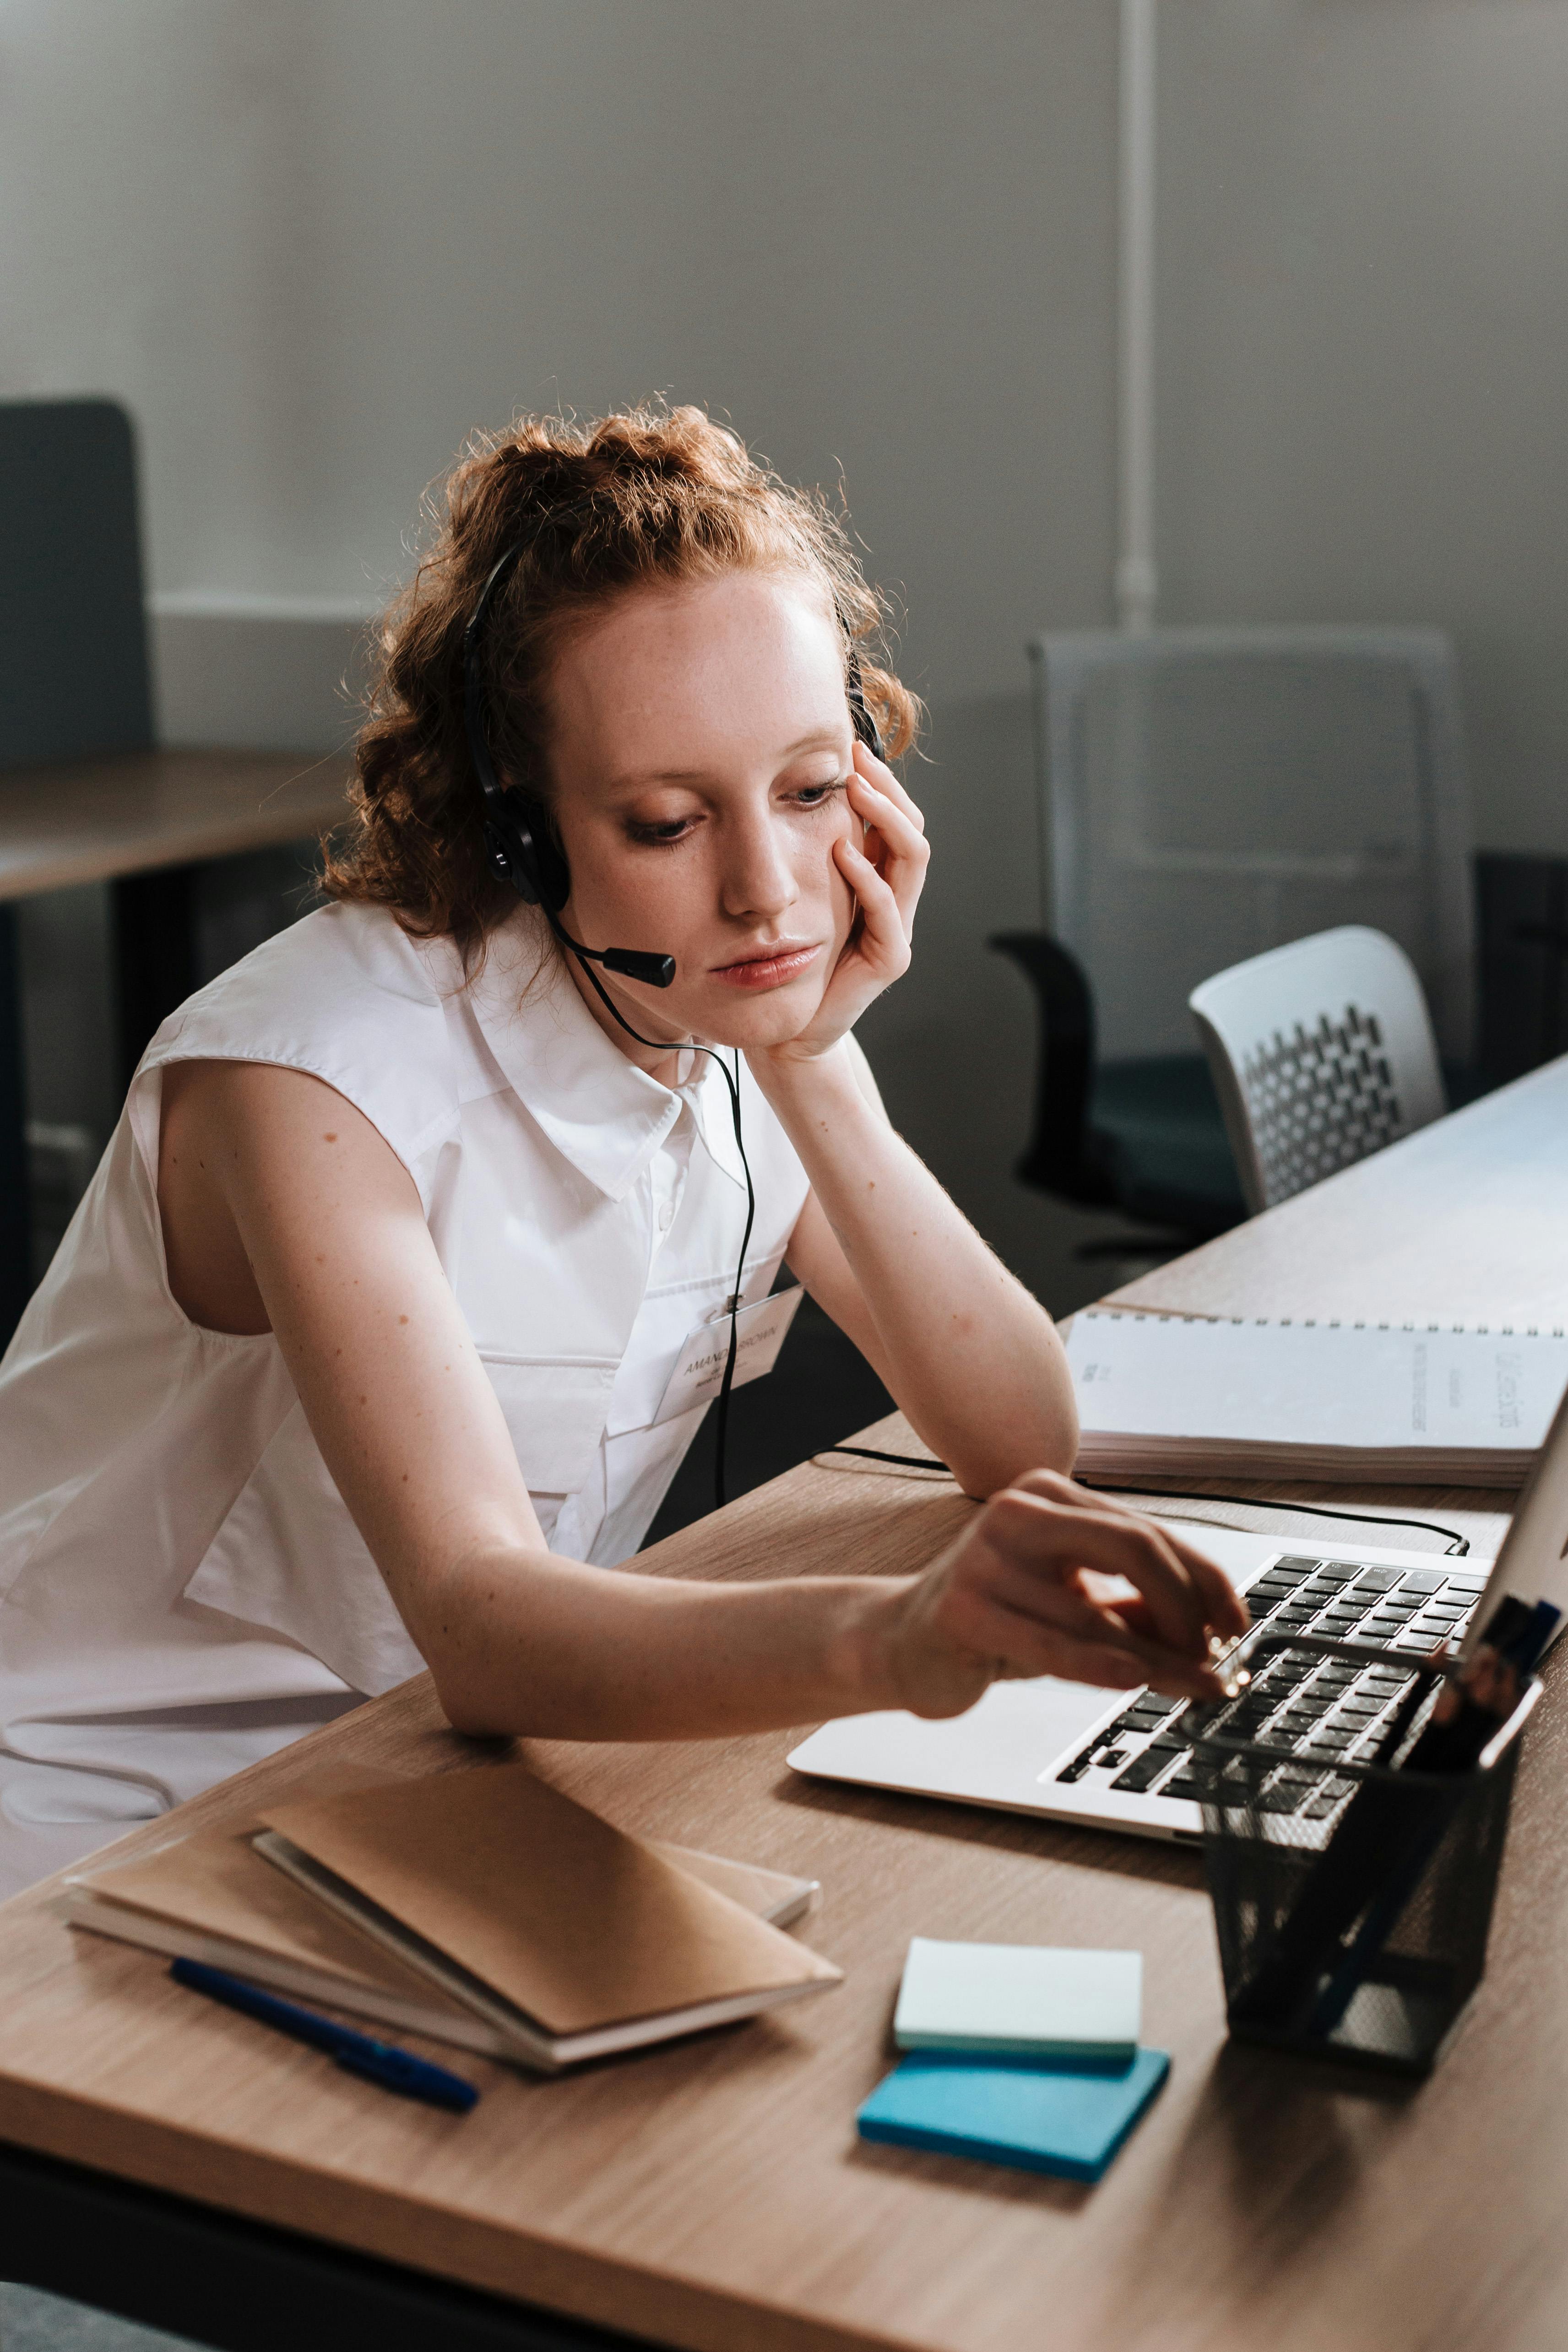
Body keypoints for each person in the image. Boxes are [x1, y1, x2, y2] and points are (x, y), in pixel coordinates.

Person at [0, 405, 1245, 1897]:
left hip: (410, 1780)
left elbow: (1013, 1432)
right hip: (91, 1824)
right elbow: (477, 1620)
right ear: (520, 834)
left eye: (805, 788)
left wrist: (808, 1056)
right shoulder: (312, 1079)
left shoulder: (718, 1027)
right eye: (666, 822)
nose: (768, 889)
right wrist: (897, 1638)